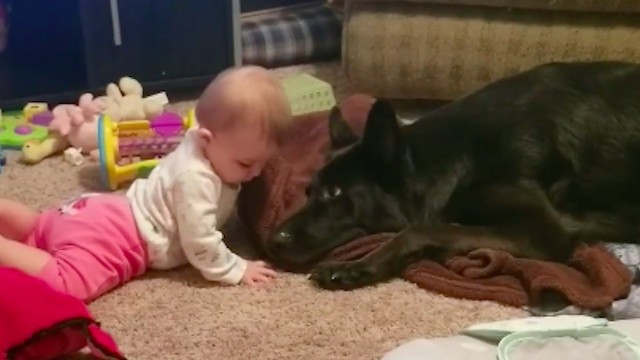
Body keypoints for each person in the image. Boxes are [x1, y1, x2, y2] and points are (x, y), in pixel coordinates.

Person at [0, 65, 293, 302]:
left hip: (98, 209)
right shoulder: (196, 180)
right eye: (245, 164)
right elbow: (199, 243)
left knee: (39, 228)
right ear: (206, 138)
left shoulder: (200, 140)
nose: (255, 173)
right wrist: (237, 268)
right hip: (120, 238)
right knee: (66, 285)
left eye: (261, 163)